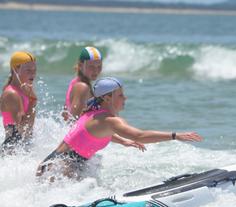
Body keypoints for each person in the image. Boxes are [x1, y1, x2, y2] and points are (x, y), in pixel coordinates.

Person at [36, 77, 203, 179]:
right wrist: (175, 135)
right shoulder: (110, 120)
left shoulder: (95, 114)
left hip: (54, 166)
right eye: (120, 95)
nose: (125, 98)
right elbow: (140, 135)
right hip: (59, 169)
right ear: (107, 98)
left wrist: (123, 141)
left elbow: (90, 135)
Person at [0, 51, 37, 153]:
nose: (33, 74)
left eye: (34, 70)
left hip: (20, 148)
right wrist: (32, 101)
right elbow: (23, 127)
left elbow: (29, 127)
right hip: (11, 151)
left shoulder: (24, 89)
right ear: (16, 69)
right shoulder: (12, 93)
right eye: (28, 70)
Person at [62, 46, 103, 122]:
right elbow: (72, 119)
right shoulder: (82, 87)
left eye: (99, 66)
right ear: (80, 65)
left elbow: (65, 113)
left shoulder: (75, 82)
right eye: (91, 66)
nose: (96, 71)